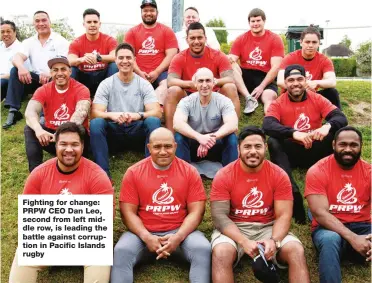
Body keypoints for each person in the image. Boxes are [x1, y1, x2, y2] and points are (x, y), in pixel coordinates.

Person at [9, 122, 114, 283]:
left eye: (75, 144)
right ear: (56, 145)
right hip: (50, 237)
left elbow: (106, 220)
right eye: (63, 144)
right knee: (24, 251)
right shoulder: (39, 174)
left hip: (87, 239)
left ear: (83, 146)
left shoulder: (97, 175)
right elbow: (28, 220)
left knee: (100, 254)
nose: (69, 149)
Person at [210, 126, 310, 283]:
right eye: (247, 146)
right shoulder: (224, 175)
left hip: (268, 226)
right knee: (221, 252)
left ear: (266, 147)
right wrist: (243, 241)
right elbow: (219, 216)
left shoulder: (279, 174)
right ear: (238, 149)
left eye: (258, 146)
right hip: (235, 228)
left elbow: (284, 215)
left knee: (296, 250)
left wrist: (274, 240)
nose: (252, 151)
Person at [111, 127, 211, 283]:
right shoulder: (133, 172)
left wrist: (178, 237)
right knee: (121, 250)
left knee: (202, 248)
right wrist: (146, 237)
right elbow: (127, 213)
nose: (163, 151)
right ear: (149, 147)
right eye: (157, 147)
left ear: (175, 146)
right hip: (142, 233)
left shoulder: (190, 171)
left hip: (181, 233)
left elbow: (197, 212)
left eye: (168, 146)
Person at [263, 64, 348, 224]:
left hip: (316, 149)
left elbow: (340, 117)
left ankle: (338, 181)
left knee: (338, 134)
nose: (296, 83)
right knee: (273, 141)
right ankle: (292, 191)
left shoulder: (317, 98)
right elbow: (268, 125)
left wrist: (326, 127)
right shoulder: (279, 102)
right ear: (285, 83)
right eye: (291, 80)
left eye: (299, 79)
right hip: (293, 151)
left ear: (306, 80)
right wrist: (295, 133)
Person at [305, 126, 371, 283]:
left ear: (361, 146)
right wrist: (353, 238)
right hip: (328, 228)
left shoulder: (369, 172)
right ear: (334, 145)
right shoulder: (317, 171)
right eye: (343, 144)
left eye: (354, 145)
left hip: (362, 226)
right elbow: (320, 213)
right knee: (330, 240)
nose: (348, 149)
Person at [90, 43, 161, 179]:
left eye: (128, 58)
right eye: (121, 58)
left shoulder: (143, 84)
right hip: (114, 130)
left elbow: (156, 112)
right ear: (115, 60)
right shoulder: (106, 84)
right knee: (96, 124)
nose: (125, 61)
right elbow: (95, 113)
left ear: (134, 60)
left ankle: (152, 171)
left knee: (153, 121)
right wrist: (113, 115)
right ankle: (102, 175)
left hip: (136, 130)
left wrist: (138, 115)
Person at [165, 22, 240, 131]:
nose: (196, 41)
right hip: (189, 96)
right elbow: (170, 81)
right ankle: (170, 138)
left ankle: (232, 133)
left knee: (230, 87)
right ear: (187, 40)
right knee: (173, 90)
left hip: (213, 94)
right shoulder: (179, 57)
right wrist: (191, 84)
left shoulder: (218, 55)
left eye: (200, 37)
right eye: (192, 38)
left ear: (205, 38)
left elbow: (230, 78)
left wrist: (214, 82)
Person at [3, 11, 69, 129]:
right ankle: (14, 111)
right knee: (15, 70)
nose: (41, 23)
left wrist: (50, 73)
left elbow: (64, 64)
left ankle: (45, 115)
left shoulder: (60, 41)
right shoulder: (29, 42)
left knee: (58, 77)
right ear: (34, 24)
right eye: (37, 21)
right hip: (35, 80)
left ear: (50, 22)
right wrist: (21, 67)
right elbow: (17, 57)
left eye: (44, 20)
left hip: (52, 78)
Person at [24, 56, 91, 172]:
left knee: (80, 129)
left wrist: (62, 134)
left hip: (76, 136)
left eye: (63, 69)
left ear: (70, 71)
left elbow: (81, 112)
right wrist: (38, 130)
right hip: (52, 137)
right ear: (50, 72)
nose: (59, 73)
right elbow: (30, 111)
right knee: (29, 129)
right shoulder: (43, 90)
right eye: (55, 70)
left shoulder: (81, 89)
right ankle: (35, 172)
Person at [173, 67, 238, 166]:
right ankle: (184, 172)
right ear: (195, 83)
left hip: (216, 143)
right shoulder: (186, 101)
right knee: (179, 136)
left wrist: (211, 139)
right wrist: (199, 137)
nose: (204, 85)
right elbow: (177, 124)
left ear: (214, 82)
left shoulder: (224, 101)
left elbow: (233, 124)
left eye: (208, 81)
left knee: (232, 138)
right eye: (200, 81)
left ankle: (230, 172)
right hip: (194, 145)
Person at [228, 8, 284, 114]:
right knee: (230, 64)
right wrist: (228, 58)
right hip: (245, 75)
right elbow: (231, 59)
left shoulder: (275, 39)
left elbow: (276, 67)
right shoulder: (241, 38)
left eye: (258, 21)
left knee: (269, 97)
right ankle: (248, 97)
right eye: (253, 21)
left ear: (264, 21)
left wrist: (261, 87)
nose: (255, 24)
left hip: (265, 76)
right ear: (249, 23)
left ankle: (270, 121)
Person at [124, 0, 178, 105]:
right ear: (141, 13)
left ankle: (154, 107)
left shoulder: (167, 31)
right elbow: (128, 55)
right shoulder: (132, 32)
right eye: (145, 10)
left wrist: (157, 72)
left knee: (167, 84)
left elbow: (172, 54)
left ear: (157, 12)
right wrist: (139, 73)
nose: (148, 13)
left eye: (152, 10)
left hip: (162, 73)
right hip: (137, 72)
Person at [277, 25, 341, 108]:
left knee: (332, 93)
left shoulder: (324, 60)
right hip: (292, 95)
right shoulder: (290, 58)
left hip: (310, 96)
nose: (310, 45)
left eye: (314, 42)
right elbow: (280, 81)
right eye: (307, 42)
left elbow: (332, 82)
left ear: (319, 44)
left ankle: (336, 119)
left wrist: (316, 83)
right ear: (301, 42)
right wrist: (301, 87)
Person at [68, 8, 118, 98]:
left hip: (103, 77)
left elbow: (116, 56)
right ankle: (71, 99)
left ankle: (112, 97)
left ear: (99, 24)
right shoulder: (76, 42)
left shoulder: (109, 39)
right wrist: (82, 59)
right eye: (89, 22)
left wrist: (98, 58)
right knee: (71, 68)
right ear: (84, 24)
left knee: (114, 65)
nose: (92, 25)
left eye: (95, 22)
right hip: (84, 77)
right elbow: (70, 60)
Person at [0, 20, 23, 100]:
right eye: (2, 32)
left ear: (14, 32)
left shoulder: (22, 48)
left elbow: (19, 73)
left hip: (10, 82)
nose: (5, 34)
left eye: (8, 31)